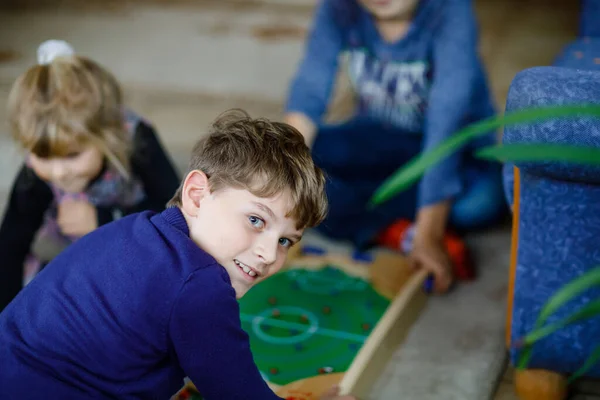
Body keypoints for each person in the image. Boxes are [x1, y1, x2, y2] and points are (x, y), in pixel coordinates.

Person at [0, 109, 355, 400]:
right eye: (255, 220)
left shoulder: (135, 228)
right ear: (197, 195)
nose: (267, 253)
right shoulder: (199, 285)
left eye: (285, 242)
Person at [284, 0, 507, 293]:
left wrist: (430, 234)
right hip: (380, 139)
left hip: (453, 152)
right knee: (295, 163)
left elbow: (446, 126)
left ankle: (400, 221)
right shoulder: (338, 7)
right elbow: (310, 88)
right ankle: (394, 229)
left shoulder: (451, 10)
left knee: (479, 204)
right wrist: (282, 179)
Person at [0, 40, 180, 311]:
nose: (58, 172)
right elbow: (11, 243)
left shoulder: (137, 141)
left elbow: (175, 210)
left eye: (72, 155)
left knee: (160, 283)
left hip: (137, 234)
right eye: (42, 156)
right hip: (70, 249)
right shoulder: (37, 168)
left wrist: (103, 219)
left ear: (107, 136)